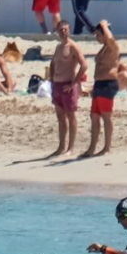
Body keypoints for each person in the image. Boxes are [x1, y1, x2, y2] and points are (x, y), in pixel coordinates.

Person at [84, 21, 127, 157]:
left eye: (98, 35)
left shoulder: (113, 46)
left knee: (106, 116)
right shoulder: (103, 48)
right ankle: (92, 147)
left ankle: (107, 147)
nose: (97, 37)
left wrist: (103, 25)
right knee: (94, 116)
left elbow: (109, 38)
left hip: (108, 84)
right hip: (99, 84)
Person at [46, 24, 84, 157]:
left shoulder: (73, 46)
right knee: (60, 118)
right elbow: (52, 64)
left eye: (65, 29)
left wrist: (74, 83)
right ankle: (61, 146)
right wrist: (51, 80)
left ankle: (70, 147)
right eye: (60, 30)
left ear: (69, 30)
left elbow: (84, 65)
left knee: (71, 116)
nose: (63, 32)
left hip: (68, 86)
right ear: (57, 31)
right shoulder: (58, 47)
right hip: (57, 85)